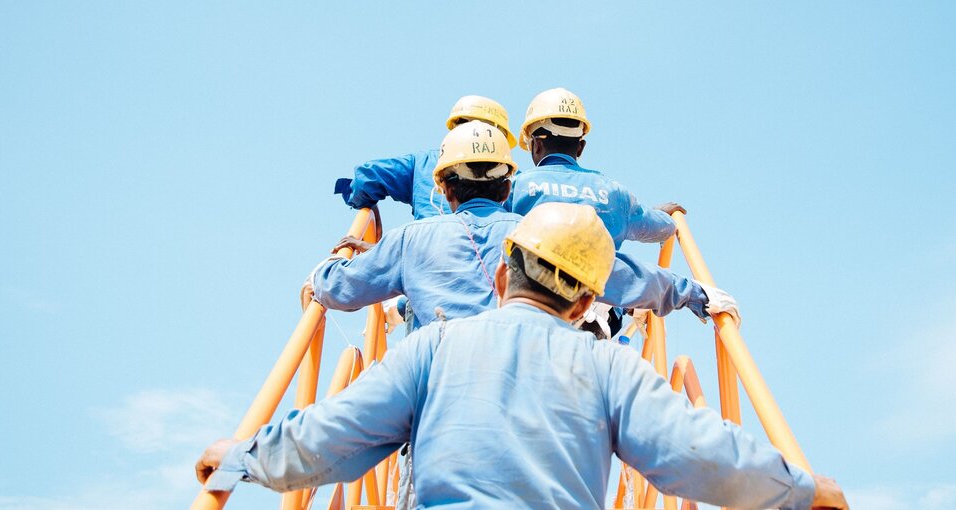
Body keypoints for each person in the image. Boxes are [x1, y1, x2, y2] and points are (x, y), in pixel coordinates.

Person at [196, 202, 849, 510]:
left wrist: (237, 462)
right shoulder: (612, 367)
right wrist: (800, 488)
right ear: (584, 303)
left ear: (504, 276)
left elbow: (332, 438)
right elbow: (696, 451)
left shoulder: (431, 349)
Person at [308, 121, 735, 331]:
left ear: (443, 184)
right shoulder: (543, 233)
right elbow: (621, 275)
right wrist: (694, 293)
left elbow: (337, 288)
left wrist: (332, 264)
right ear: (507, 180)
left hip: (439, 407)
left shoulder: (409, 241)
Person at [508, 87, 682, 249]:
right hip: (600, 282)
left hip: (531, 281)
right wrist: (663, 216)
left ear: (536, 145)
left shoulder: (515, 188)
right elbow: (659, 227)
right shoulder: (614, 193)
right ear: (580, 147)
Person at [334, 95, 517, 220]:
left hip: (423, 260)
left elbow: (366, 179)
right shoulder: (511, 177)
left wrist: (367, 206)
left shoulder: (421, 164)